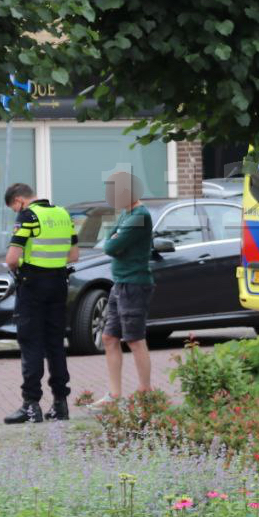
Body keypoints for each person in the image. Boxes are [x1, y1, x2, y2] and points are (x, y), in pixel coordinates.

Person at [2, 183, 78, 424]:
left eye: (14, 207)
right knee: (55, 343)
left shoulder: (28, 215)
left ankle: (31, 405)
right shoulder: (63, 214)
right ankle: (60, 404)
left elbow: (12, 259)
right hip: (58, 283)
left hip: (33, 284)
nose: (16, 211)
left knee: (31, 343)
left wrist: (25, 264)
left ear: (19, 200)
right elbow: (74, 255)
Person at [91, 172, 155, 410]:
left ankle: (145, 391)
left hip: (134, 283)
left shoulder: (140, 216)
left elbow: (111, 246)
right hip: (120, 282)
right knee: (109, 337)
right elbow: (110, 238)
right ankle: (115, 395)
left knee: (135, 339)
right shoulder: (126, 214)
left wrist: (114, 238)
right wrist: (114, 237)